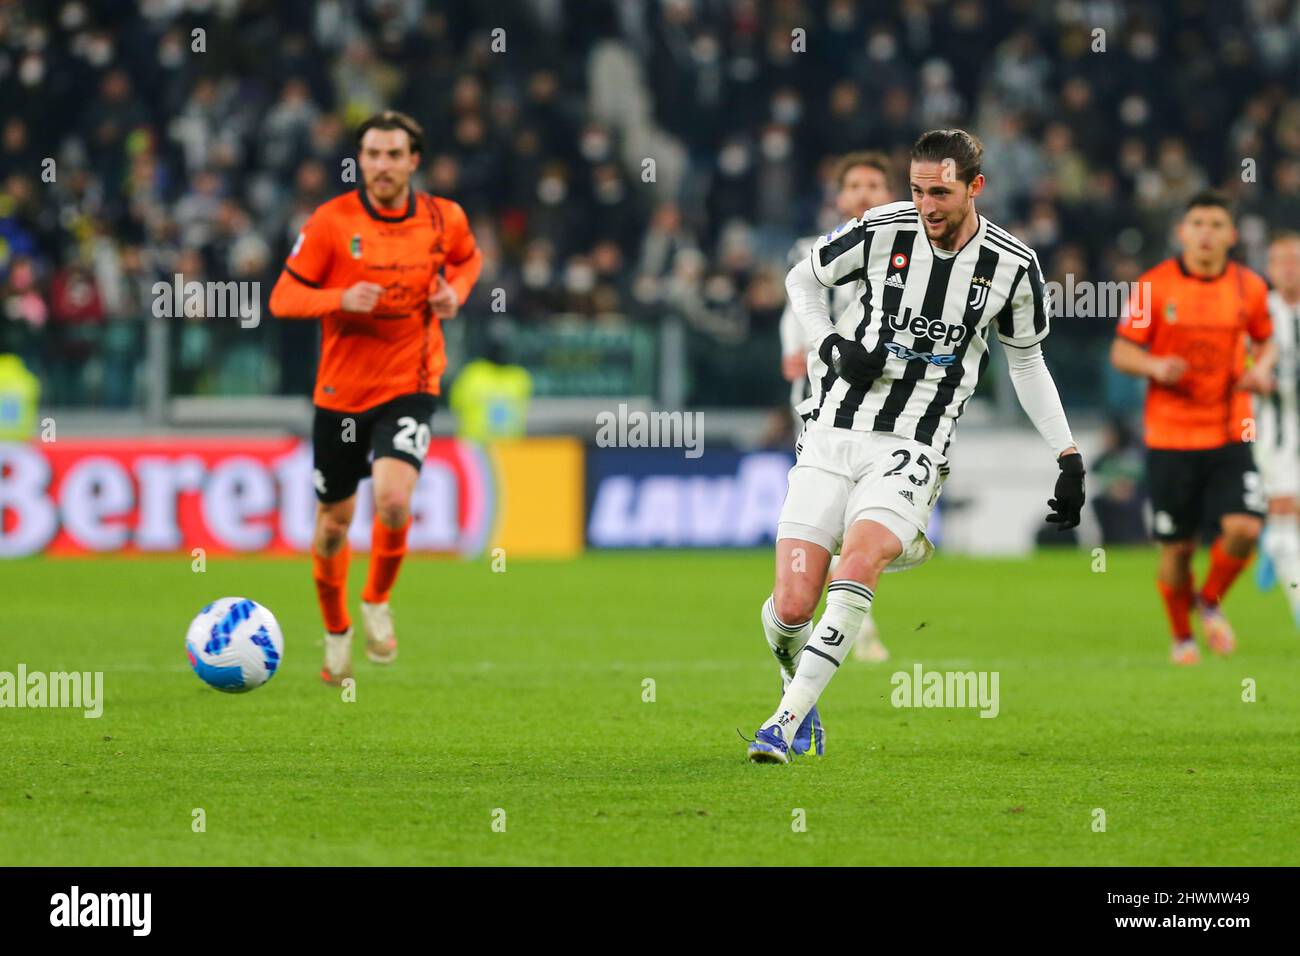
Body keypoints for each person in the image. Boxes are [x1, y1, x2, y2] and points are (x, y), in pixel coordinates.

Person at [749, 128, 1084, 764]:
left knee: (862, 556)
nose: (926, 205)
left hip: (914, 443)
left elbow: (1028, 364)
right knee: (793, 608)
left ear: (975, 188)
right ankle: (797, 683)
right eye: (917, 190)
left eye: (941, 192)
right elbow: (802, 281)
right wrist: (832, 348)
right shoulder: (881, 230)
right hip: (831, 432)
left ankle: (782, 724)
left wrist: (1066, 454)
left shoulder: (1013, 266)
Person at [269, 110, 482, 684]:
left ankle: (377, 600)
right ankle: (336, 631)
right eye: (372, 154)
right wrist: (339, 297)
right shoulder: (331, 222)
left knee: (392, 501)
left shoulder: (444, 217)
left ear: (415, 160)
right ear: (359, 159)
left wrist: (454, 293)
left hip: (410, 383)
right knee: (334, 523)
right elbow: (284, 298)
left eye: (393, 154)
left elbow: (468, 260)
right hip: (340, 393)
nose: (381, 165)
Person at [1110, 192, 1274, 665]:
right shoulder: (1153, 287)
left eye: (1216, 224)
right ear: (1182, 232)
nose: (1206, 232)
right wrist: (1156, 365)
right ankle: (1182, 637)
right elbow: (1122, 353)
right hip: (1170, 438)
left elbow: (1267, 343)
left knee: (1244, 528)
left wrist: (1260, 369)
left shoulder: (1250, 288)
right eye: (1197, 222)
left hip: (1230, 430)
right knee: (1178, 548)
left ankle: (1210, 600)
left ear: (1232, 235)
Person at [777, 152, 895, 693]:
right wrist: (794, 347)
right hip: (824, 398)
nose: (866, 193)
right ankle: (852, 623)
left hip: (886, 403)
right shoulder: (814, 251)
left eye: (875, 184)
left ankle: (846, 617)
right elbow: (793, 302)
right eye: (856, 185)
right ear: (840, 196)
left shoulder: (905, 251)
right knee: (831, 517)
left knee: (862, 516)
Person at [1252, 232, 1300, 624]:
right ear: (1270, 269)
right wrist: (1257, 377)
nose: (1289, 267)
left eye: (1295, 259)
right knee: (1286, 507)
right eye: (1281, 260)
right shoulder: (1259, 312)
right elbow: (1237, 366)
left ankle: (1272, 542)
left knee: (1289, 520)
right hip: (1275, 430)